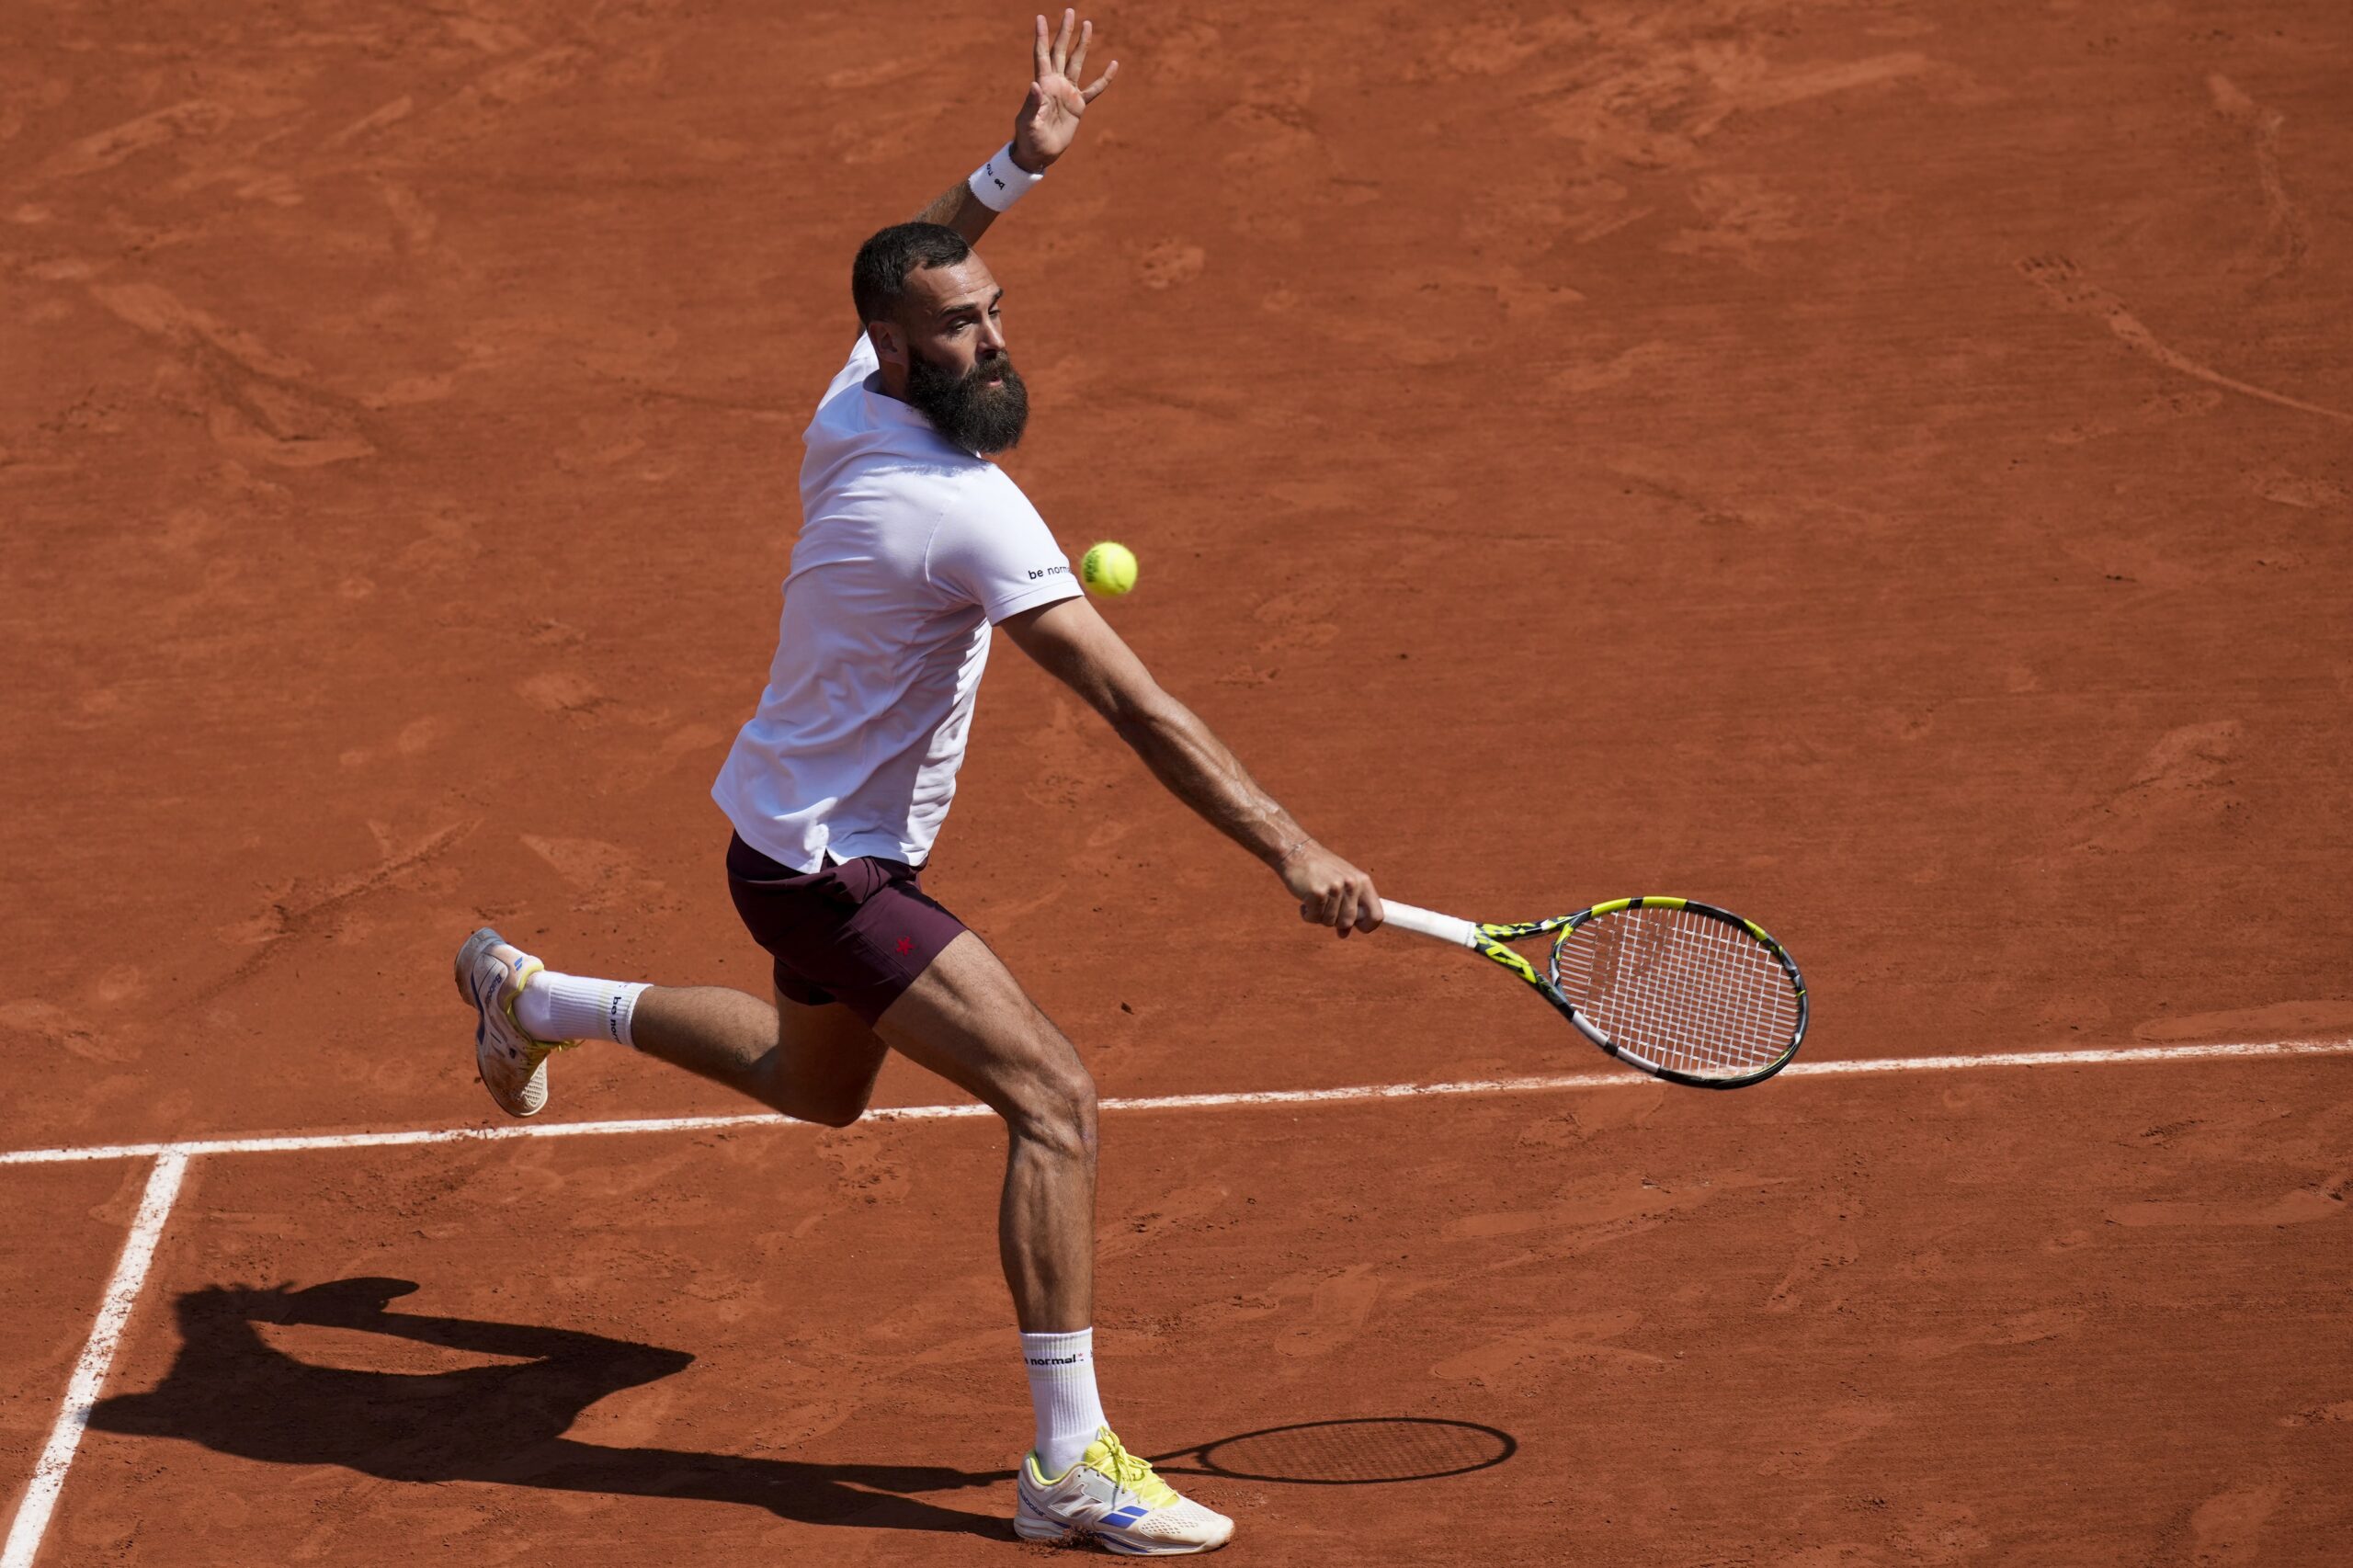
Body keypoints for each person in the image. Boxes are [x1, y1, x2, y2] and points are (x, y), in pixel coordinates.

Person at [455, 12, 1381, 1554]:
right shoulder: (963, 508)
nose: (994, 340)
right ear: (899, 346)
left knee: (812, 1089)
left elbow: (924, 249)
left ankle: (530, 998)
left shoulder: (848, 405)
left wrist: (1012, 165)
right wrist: (1290, 847)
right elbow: (1136, 706)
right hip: (833, 869)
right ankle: (1069, 1465)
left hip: (777, 833)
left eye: (996, 314)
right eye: (960, 328)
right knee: (1056, 1098)